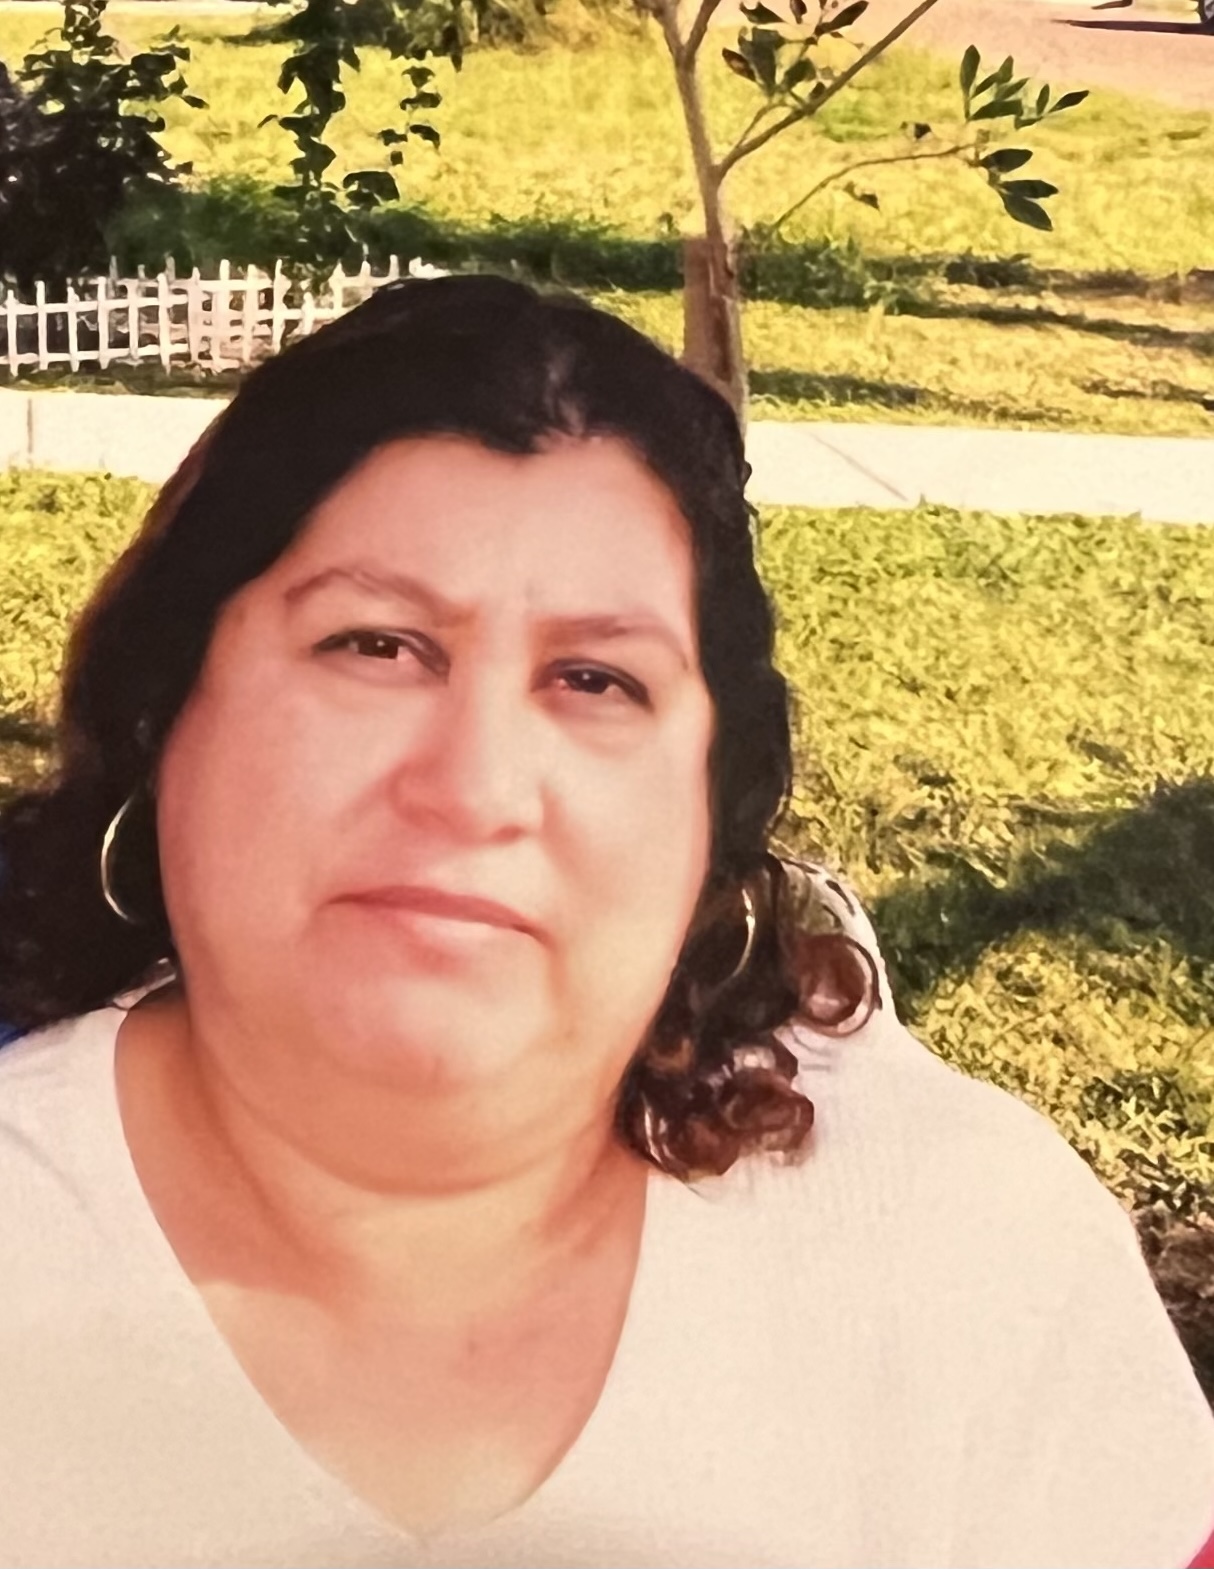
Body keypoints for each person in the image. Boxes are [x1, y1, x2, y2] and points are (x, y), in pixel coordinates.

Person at [0, 274, 1210, 1569]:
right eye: (376, 646)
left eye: (593, 679)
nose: (474, 786)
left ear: (709, 804)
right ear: (162, 706)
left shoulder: (964, 1258)